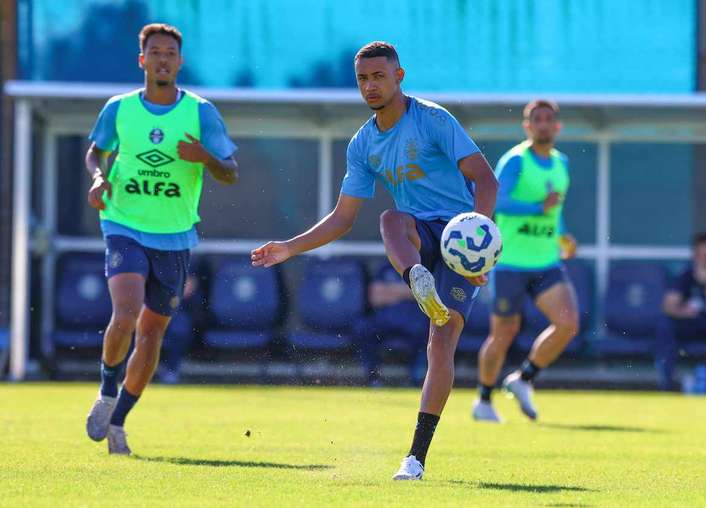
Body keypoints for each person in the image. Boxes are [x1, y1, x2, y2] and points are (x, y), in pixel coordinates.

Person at [251, 41, 497, 480]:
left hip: (460, 236)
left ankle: (416, 457)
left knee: (441, 344)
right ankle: (417, 279)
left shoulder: (435, 120)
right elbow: (344, 218)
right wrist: (290, 247)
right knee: (390, 218)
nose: (370, 85)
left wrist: (478, 244)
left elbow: (485, 180)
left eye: (378, 76)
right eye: (363, 78)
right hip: (416, 237)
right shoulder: (363, 145)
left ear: (399, 77)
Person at [84, 23, 238, 455]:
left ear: (179, 61)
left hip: (173, 236)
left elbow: (230, 172)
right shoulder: (119, 108)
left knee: (151, 334)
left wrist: (204, 156)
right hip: (123, 223)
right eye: (155, 52)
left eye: (170, 52)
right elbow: (96, 150)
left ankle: (118, 420)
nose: (163, 59)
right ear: (142, 60)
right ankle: (106, 389)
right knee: (127, 309)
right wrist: (98, 178)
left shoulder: (200, 112)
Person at [473, 100, 580, 423]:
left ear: (558, 126)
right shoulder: (516, 161)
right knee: (504, 333)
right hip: (511, 264)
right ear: (527, 126)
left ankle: (524, 378)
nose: (543, 124)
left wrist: (563, 237)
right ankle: (484, 400)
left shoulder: (562, 164)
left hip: (547, 261)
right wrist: (537, 207)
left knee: (569, 323)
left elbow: (555, 212)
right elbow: (499, 201)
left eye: (549, 119)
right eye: (537, 119)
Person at [657, 232, 706, 391]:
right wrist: (682, 312)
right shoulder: (685, 276)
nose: (705, 260)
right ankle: (666, 385)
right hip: (688, 323)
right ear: (695, 256)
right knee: (664, 324)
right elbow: (667, 306)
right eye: (702, 255)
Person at [355, 261, 429, 387]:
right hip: (384, 321)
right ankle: (373, 377)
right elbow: (375, 298)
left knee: (428, 332)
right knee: (362, 329)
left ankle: (416, 379)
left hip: (412, 321)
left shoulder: (421, 268)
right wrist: (409, 292)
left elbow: (427, 294)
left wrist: (388, 291)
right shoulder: (385, 268)